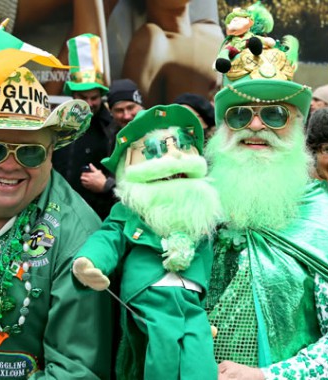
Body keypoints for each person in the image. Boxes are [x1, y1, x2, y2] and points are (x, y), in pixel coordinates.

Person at [205, 7, 328, 379]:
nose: (255, 125)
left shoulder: (325, 217)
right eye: (239, 115)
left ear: (297, 127)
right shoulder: (195, 206)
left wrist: (270, 377)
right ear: (222, 129)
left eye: (274, 115)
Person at [0, 65, 112, 378]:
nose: (9, 165)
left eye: (30, 152)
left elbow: (75, 372)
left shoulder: (79, 237)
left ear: (51, 154)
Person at [71, 104, 222, 379]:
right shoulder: (132, 212)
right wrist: (91, 261)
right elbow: (109, 236)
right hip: (150, 294)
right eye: (156, 152)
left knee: (200, 360)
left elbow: (207, 255)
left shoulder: (201, 209)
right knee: (162, 353)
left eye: (184, 148)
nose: (175, 165)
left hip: (191, 301)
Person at [52, 33, 117, 220]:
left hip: (98, 214)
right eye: (83, 98)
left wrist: (107, 185)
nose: (89, 103)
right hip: (59, 212)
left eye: (94, 98)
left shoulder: (111, 128)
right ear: (73, 96)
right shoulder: (59, 124)